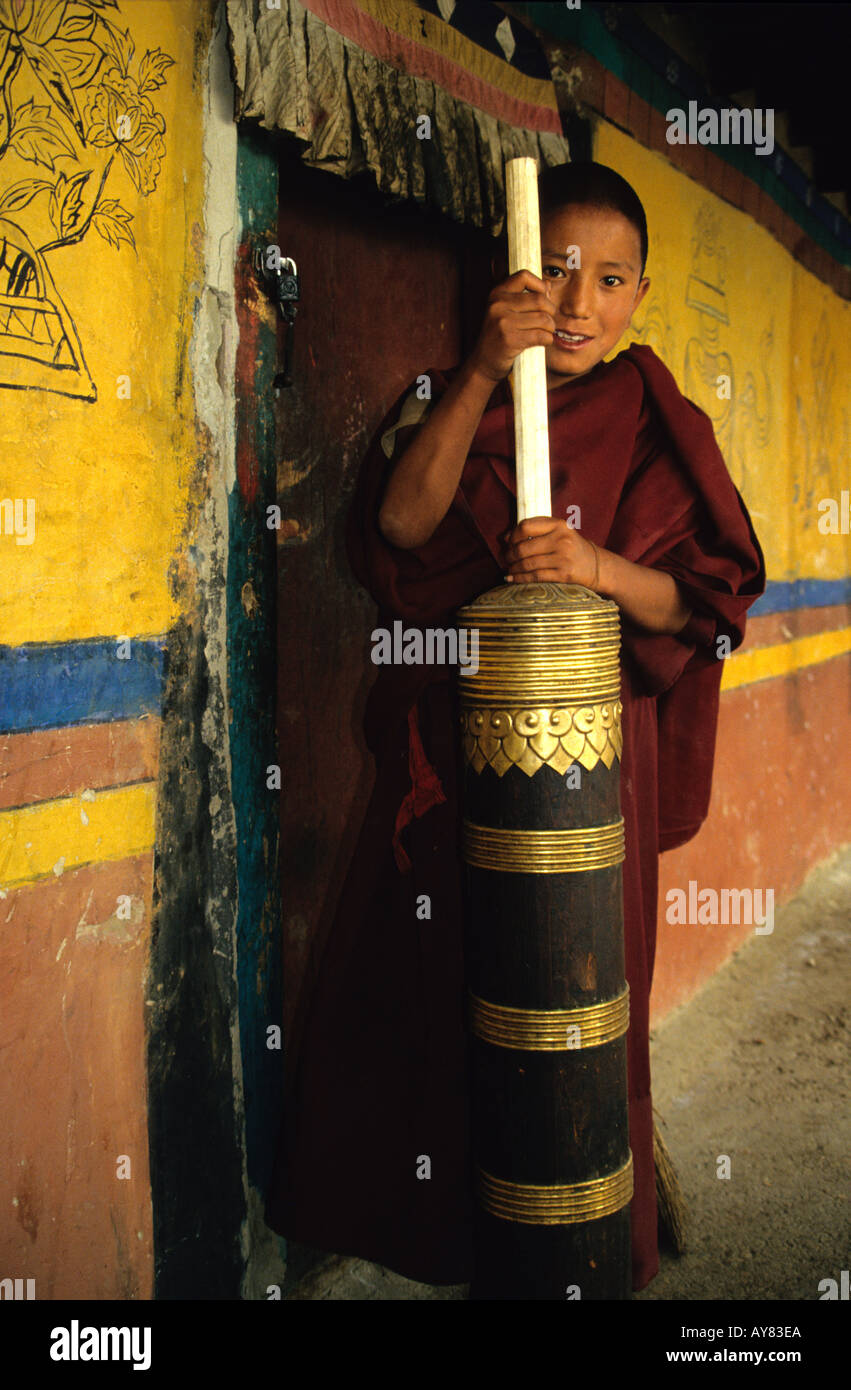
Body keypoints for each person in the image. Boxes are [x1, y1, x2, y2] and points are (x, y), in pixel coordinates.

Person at [265, 161, 765, 1294]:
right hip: (467, 741)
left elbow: (705, 599)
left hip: (600, 760)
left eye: (608, 277)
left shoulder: (653, 413)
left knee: (588, 980)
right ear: (509, 282)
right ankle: (455, 1230)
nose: (577, 301)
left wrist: (592, 566)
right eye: (552, 270)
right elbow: (399, 529)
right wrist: (488, 366)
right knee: (457, 970)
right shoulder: (462, 393)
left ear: (640, 292)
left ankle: (594, 1222)